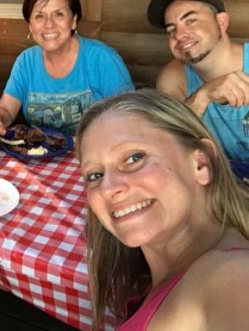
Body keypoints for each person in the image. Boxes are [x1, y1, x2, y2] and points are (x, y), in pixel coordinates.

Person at [75, 89, 249, 331]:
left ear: (201, 163)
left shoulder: (229, 279)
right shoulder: (164, 273)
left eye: (135, 158)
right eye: (95, 174)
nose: (108, 188)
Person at [0, 0, 134, 157]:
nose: (49, 24)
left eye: (58, 14)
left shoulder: (102, 59)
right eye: (39, 16)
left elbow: (129, 119)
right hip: (38, 159)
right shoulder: (26, 62)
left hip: (96, 155)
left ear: (73, 20)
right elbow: (5, 109)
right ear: (30, 26)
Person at [147, 0, 249, 162]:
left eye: (191, 21)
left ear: (222, 22)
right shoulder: (174, 77)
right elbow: (169, 145)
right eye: (171, 29)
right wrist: (204, 95)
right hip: (216, 180)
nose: (179, 35)